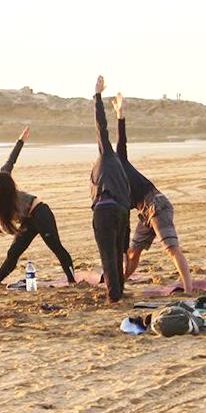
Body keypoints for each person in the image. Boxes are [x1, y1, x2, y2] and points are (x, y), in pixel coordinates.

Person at [0, 127, 75, 286]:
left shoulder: (2, 181)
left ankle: (72, 280)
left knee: (56, 247)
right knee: (13, 253)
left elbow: (11, 161)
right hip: (28, 221)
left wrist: (20, 141)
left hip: (40, 212)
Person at [111, 92, 192, 292]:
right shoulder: (114, 188)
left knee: (171, 249)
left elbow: (122, 140)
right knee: (133, 252)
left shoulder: (119, 160)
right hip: (144, 212)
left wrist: (120, 114)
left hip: (157, 204)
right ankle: (120, 283)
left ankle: (189, 289)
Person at [90, 76, 130, 302]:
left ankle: (114, 295)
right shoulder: (120, 160)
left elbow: (100, 128)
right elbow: (122, 140)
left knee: (108, 255)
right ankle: (119, 291)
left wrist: (97, 96)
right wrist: (120, 115)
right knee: (115, 253)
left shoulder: (106, 154)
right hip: (121, 212)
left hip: (105, 210)